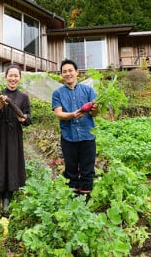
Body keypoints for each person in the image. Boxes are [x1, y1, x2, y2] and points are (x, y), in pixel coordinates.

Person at [0, 64, 31, 216]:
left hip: (14, 134)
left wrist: (23, 119)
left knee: (12, 163)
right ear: (5, 78)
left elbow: (28, 118)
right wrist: (0, 104)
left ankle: (7, 199)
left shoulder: (23, 97)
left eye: (16, 76)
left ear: (19, 78)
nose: (13, 78)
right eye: (10, 75)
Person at [51, 59, 98, 201]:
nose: (68, 74)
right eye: (64, 71)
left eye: (70, 70)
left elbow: (95, 114)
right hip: (68, 137)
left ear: (77, 72)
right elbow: (59, 114)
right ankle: (73, 199)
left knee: (87, 170)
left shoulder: (88, 90)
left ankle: (85, 199)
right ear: (61, 75)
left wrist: (95, 109)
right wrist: (72, 114)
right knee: (71, 169)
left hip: (87, 135)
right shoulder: (57, 93)